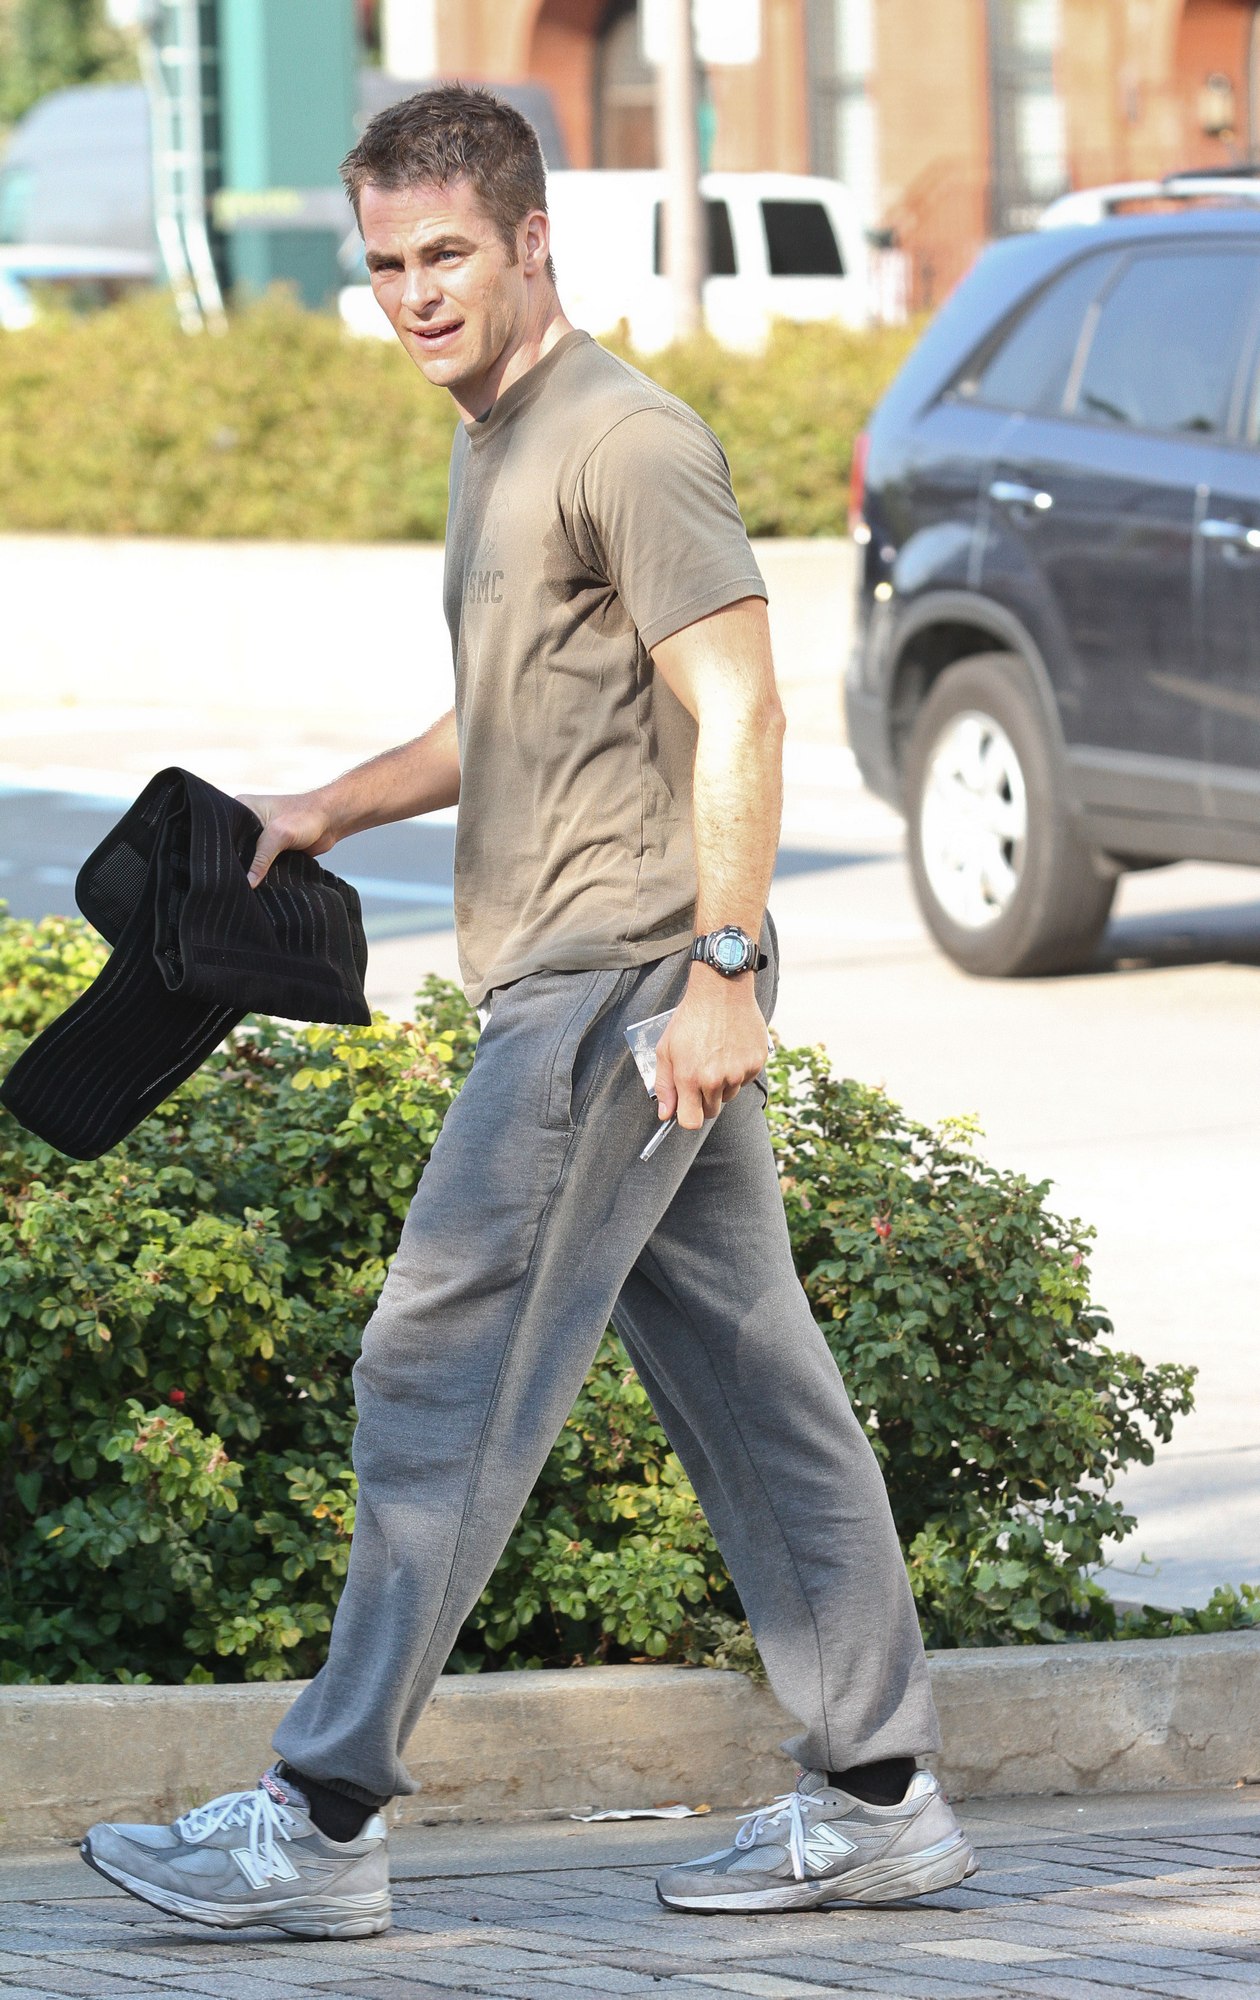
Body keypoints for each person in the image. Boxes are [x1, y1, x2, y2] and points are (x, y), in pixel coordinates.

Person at [79, 84, 974, 1938]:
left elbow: (743, 706)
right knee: (759, 1386)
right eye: (385, 263)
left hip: (615, 995)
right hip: (614, 984)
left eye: (447, 255)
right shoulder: (496, 439)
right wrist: (330, 807)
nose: (414, 293)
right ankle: (880, 1797)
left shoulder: (622, 440)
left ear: (532, 241)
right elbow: (518, 710)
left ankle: (321, 1821)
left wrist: (726, 970)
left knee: (434, 1369)